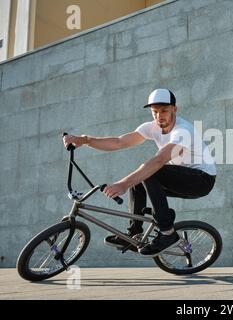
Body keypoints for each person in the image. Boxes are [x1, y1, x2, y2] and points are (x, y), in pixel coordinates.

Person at [63, 88, 216, 256]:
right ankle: (134, 232)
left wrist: (123, 184)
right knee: (140, 181)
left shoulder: (183, 131)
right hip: (181, 177)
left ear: (174, 109)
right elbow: (118, 142)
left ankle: (167, 233)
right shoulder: (151, 127)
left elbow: (159, 161)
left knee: (150, 172)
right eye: (154, 112)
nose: (159, 116)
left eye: (164, 110)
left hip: (202, 180)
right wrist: (85, 140)